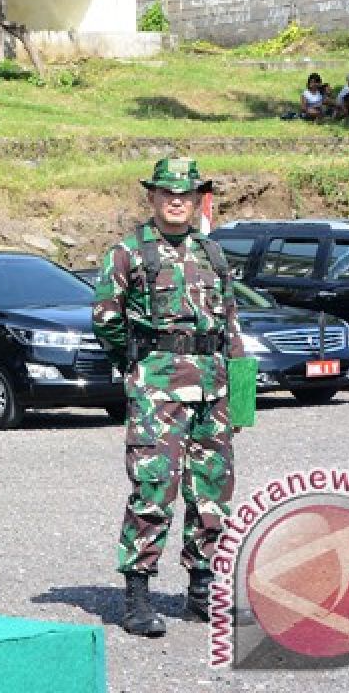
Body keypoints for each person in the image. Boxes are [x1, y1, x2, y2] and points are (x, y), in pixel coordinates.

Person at [91, 157, 244, 638]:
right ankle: (137, 595)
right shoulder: (129, 253)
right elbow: (105, 320)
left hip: (213, 386)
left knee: (213, 490)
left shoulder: (213, 254)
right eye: (167, 193)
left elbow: (231, 327)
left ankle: (201, 592)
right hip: (157, 385)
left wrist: (240, 399)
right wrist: (137, 367)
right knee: (154, 487)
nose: (177, 201)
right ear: (153, 197)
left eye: (186, 194)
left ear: (198, 199)